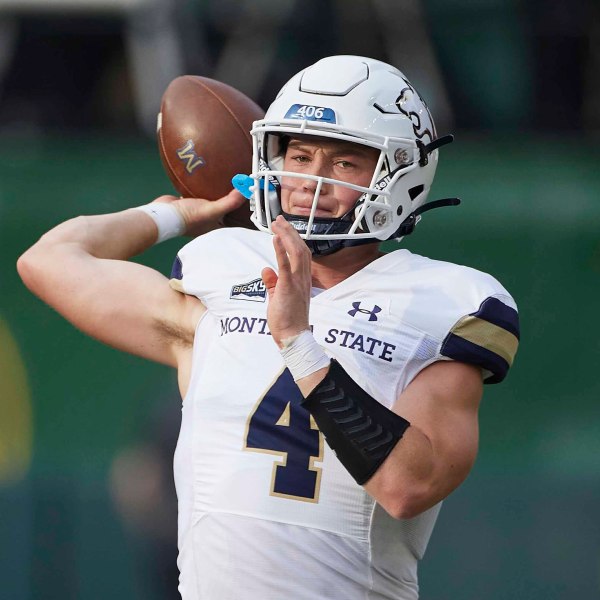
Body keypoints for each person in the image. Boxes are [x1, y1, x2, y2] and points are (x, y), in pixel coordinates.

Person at [17, 56, 520, 599]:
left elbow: (407, 486)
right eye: (299, 154)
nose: (310, 180)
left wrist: (299, 344)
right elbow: (50, 260)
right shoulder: (219, 281)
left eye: (345, 162)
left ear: (398, 175)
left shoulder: (443, 304)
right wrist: (180, 214)